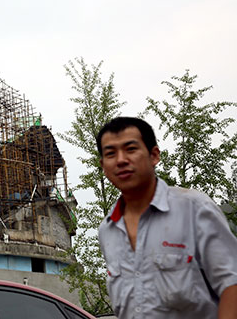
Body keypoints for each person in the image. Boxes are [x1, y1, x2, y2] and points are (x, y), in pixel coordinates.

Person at [97, 116, 237, 319]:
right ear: (103, 165)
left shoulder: (194, 209)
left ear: (154, 155)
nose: (121, 160)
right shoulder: (107, 230)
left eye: (131, 149)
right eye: (111, 153)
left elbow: (232, 283)